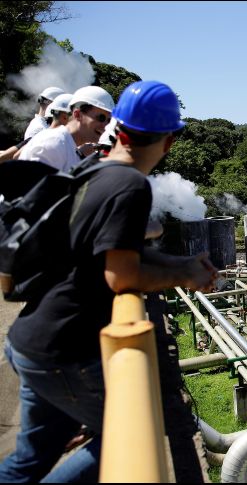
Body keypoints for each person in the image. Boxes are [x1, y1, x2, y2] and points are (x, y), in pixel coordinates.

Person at [0, 80, 219, 482]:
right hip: (64, 349)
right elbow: (121, 276)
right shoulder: (131, 185)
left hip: (31, 338)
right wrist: (184, 273)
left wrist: (178, 261)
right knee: (127, 438)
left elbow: (110, 251)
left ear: (116, 126)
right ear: (168, 141)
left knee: (28, 462)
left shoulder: (93, 168)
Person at [18, 86, 114, 171]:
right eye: (101, 118)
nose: (105, 125)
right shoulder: (53, 145)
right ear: (78, 114)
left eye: (109, 120)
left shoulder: (68, 146)